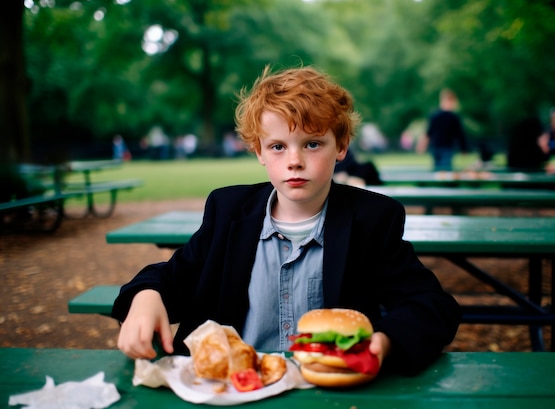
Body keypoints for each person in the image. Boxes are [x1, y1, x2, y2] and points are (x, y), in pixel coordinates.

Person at [111, 66, 461, 376]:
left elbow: (432, 306)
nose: (294, 160)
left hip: (328, 392)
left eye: (312, 144)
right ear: (259, 150)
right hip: (232, 390)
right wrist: (146, 296)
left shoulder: (373, 220)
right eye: (278, 146)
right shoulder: (228, 211)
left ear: (341, 147)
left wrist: (384, 343)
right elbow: (173, 277)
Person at [417, 89, 468, 171]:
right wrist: (422, 145)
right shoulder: (448, 116)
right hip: (441, 147)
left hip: (443, 147)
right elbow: (428, 133)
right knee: (443, 170)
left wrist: (463, 148)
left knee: (441, 169)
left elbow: (460, 134)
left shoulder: (450, 116)